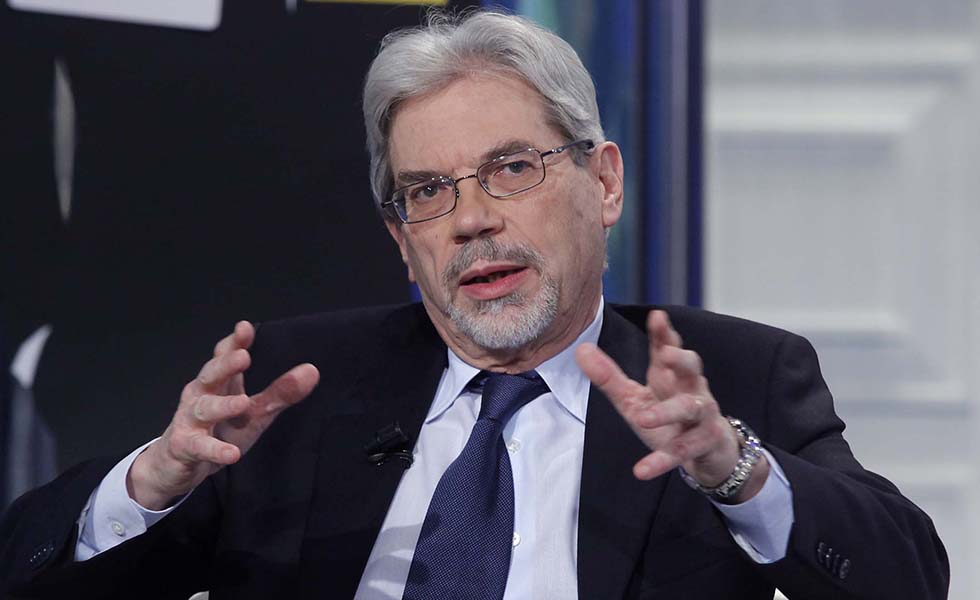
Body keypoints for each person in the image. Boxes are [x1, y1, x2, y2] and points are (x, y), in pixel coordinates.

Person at [0, 9, 948, 600]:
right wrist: (152, 481)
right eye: (427, 191)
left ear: (603, 183)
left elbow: (907, 579)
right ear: (399, 239)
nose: (470, 220)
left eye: (512, 169)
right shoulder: (298, 392)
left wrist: (734, 470)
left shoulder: (736, 378)